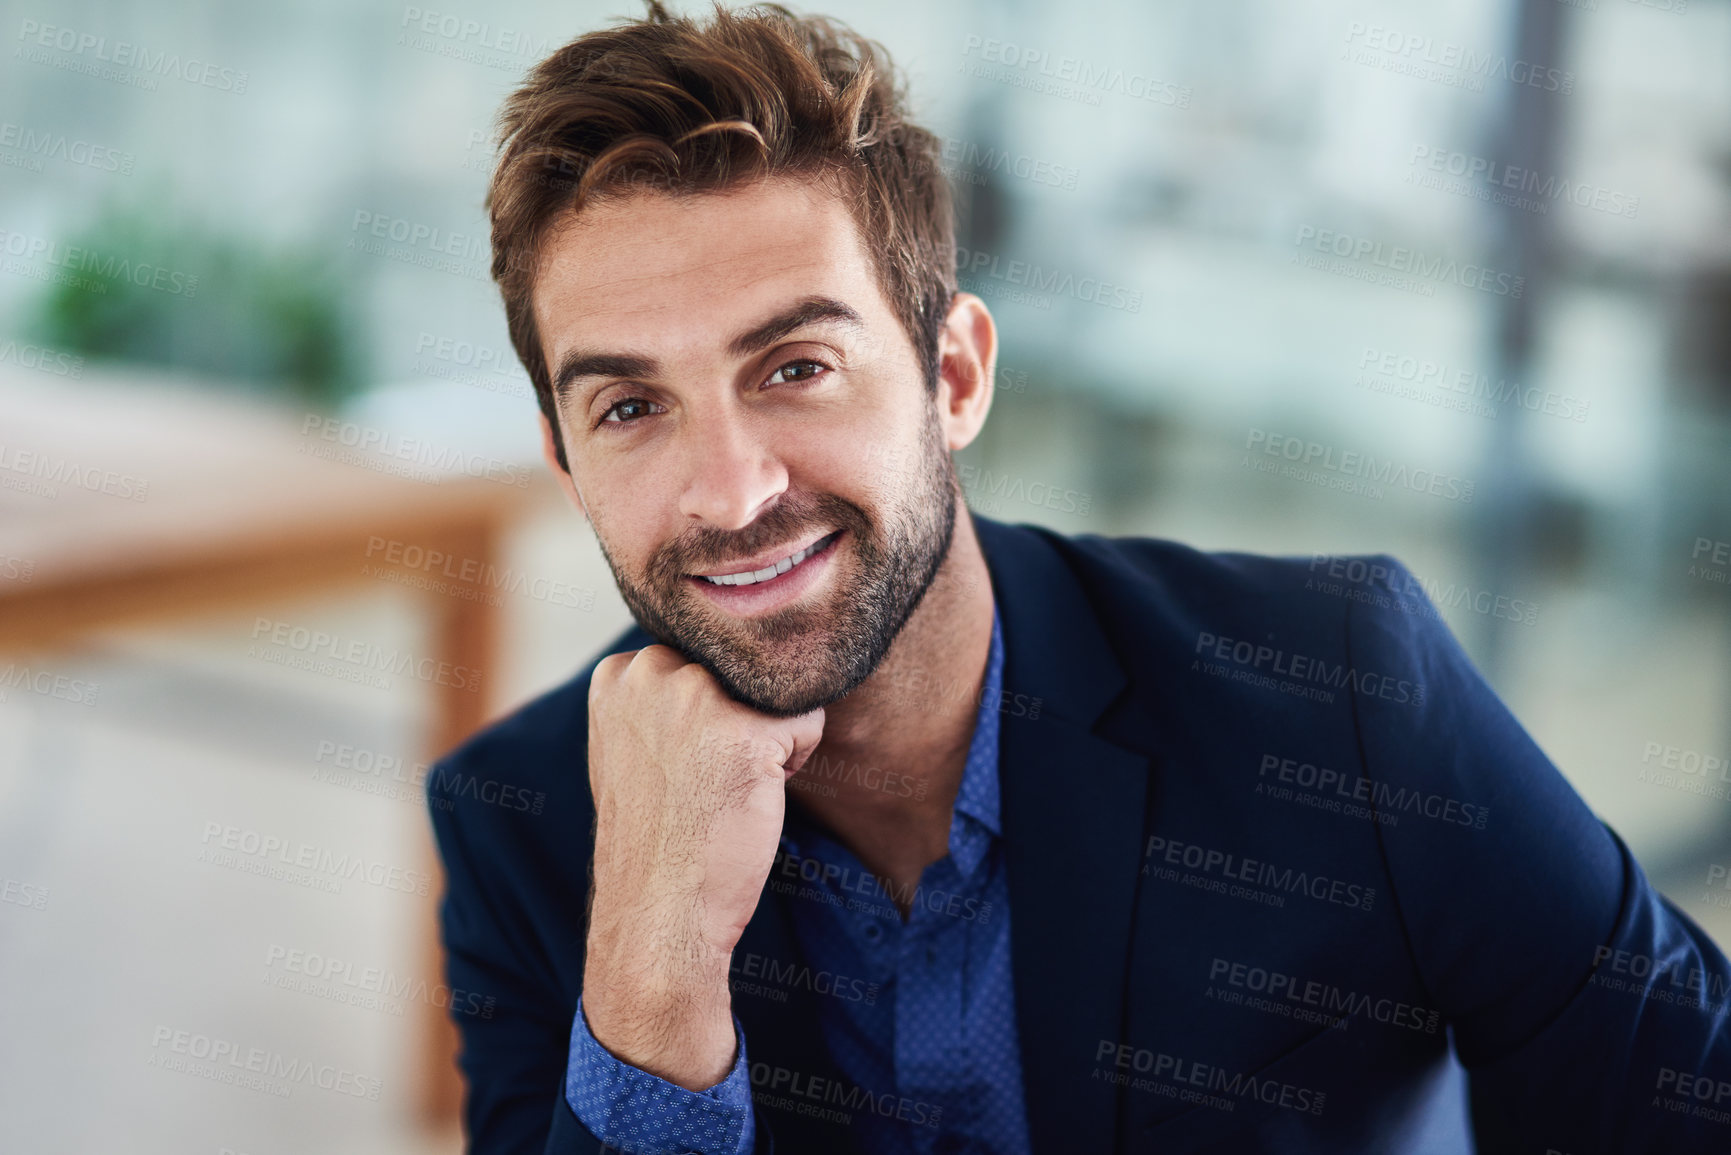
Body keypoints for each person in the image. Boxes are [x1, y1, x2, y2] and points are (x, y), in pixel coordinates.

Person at [427, 3, 1731, 1152]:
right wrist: (655, 964)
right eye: (630, 409)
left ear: (955, 377)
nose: (732, 490)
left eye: (796, 369)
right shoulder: (524, 824)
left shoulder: (1340, 690)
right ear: (562, 458)